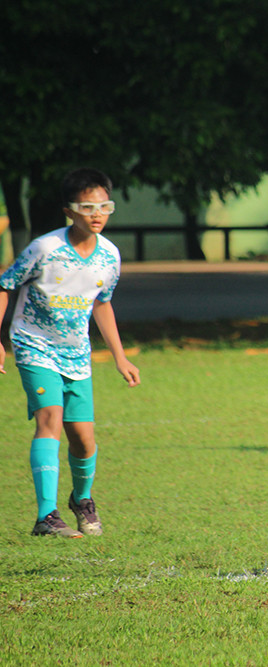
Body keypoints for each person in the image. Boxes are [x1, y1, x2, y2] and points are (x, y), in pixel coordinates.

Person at [0, 167, 141, 538]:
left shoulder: (110, 256)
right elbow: (4, 285)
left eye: (104, 207)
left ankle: (82, 499)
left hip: (77, 354)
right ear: (69, 211)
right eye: (87, 207)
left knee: (83, 438)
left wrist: (120, 356)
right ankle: (46, 516)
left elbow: (102, 304)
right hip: (34, 345)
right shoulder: (45, 249)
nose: (97, 214)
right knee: (49, 418)